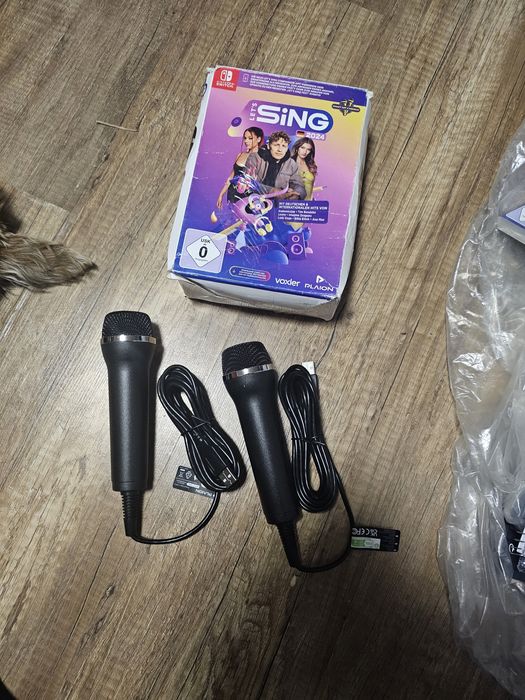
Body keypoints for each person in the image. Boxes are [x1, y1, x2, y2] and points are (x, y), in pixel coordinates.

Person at [245, 131, 306, 200]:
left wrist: (296, 195)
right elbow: (247, 182)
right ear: (269, 146)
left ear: (287, 148)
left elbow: (299, 186)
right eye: (276, 145)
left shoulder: (291, 163)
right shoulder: (255, 157)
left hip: (280, 203)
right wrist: (272, 191)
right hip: (255, 200)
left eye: (284, 146)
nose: (280, 150)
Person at [216, 127, 264, 209]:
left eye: (250, 138)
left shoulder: (262, 158)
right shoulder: (240, 155)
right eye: (245, 138)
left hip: (248, 198)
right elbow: (231, 178)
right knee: (231, 215)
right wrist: (221, 194)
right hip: (232, 195)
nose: (246, 141)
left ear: (258, 139)